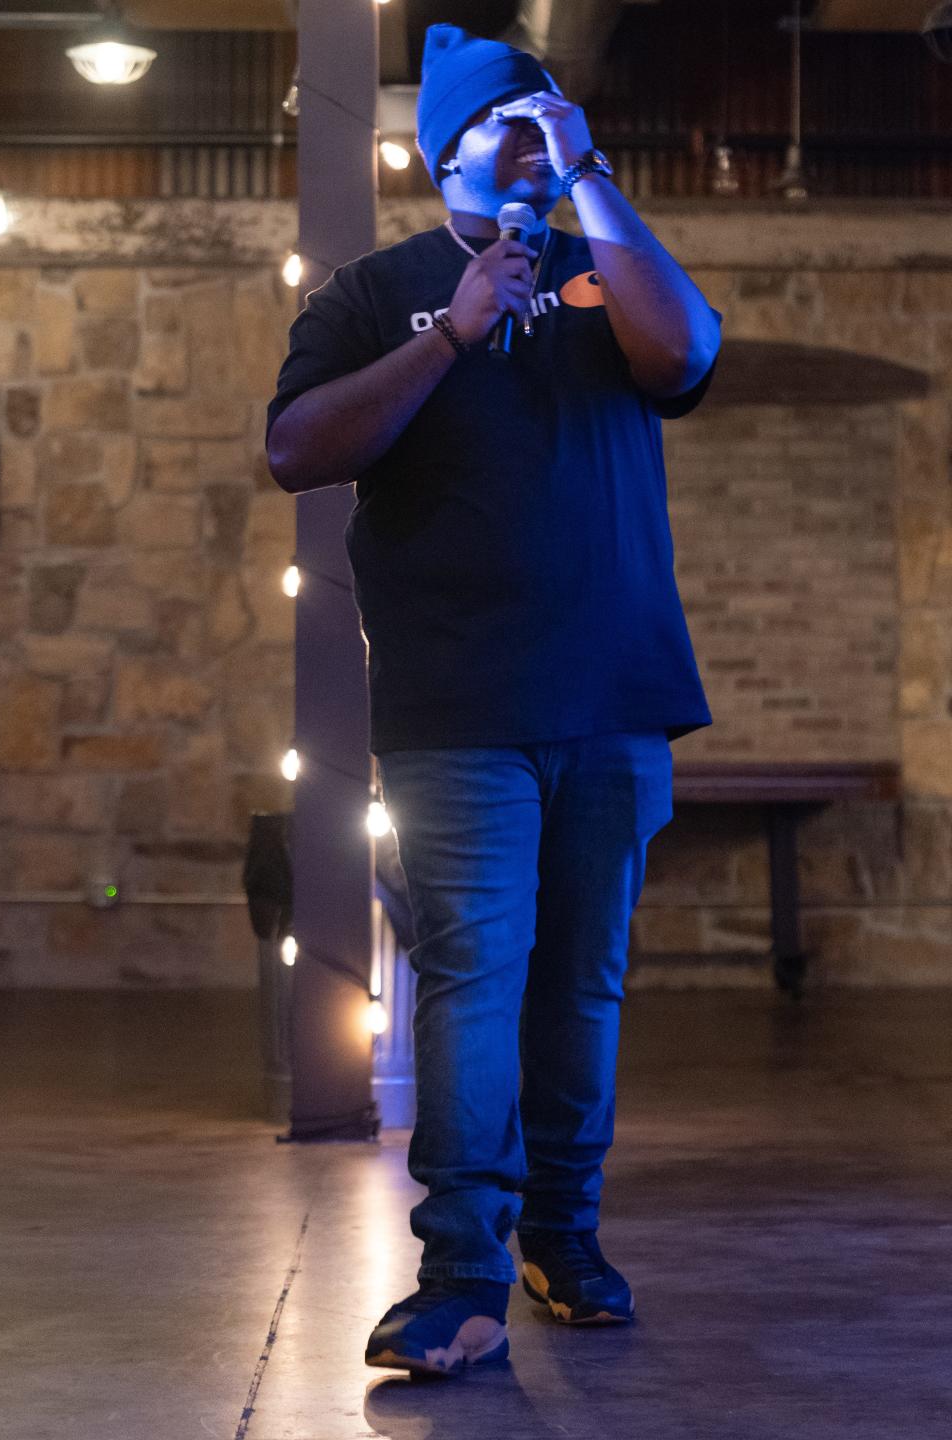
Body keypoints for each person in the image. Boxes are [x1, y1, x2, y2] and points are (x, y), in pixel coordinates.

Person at [266, 23, 722, 1378]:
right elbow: (296, 447)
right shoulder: (374, 291)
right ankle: (462, 1271)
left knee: (582, 985)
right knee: (474, 982)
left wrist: (588, 178)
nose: (532, 137)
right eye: (509, 122)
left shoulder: (605, 264)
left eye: (549, 116)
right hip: (461, 705)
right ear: (444, 146)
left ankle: (562, 1239)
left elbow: (686, 357)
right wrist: (453, 341)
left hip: (617, 696)